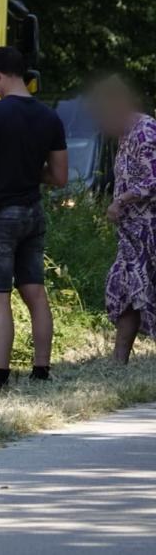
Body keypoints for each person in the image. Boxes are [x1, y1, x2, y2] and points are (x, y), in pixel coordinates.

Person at [0, 47, 68, 394]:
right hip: (31, 213)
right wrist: (25, 170)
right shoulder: (49, 117)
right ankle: (41, 370)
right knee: (35, 293)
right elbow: (59, 177)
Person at [86, 75, 156, 363]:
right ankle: (118, 362)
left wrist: (121, 200)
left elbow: (152, 179)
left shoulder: (145, 130)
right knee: (127, 290)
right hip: (131, 236)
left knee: (143, 290)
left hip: (149, 231)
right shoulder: (124, 134)